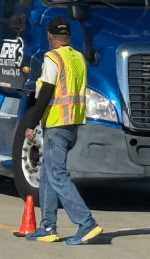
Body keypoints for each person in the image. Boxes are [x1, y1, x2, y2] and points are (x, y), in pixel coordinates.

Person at [23, 16, 103, 245]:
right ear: (67, 36)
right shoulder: (78, 57)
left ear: (50, 37)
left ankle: (86, 222)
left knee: (57, 175)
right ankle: (48, 226)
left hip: (57, 124)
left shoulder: (52, 58)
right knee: (48, 172)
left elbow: (46, 92)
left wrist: (31, 123)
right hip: (73, 124)